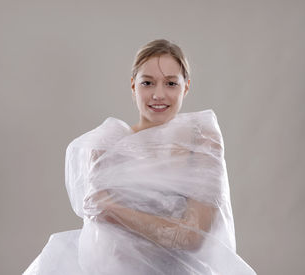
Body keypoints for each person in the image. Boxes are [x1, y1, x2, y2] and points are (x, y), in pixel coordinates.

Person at [23, 39, 257, 275]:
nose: (158, 94)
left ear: (186, 87)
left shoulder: (201, 139)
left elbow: (194, 237)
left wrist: (115, 211)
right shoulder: (107, 144)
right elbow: (103, 242)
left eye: (170, 83)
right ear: (133, 86)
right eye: (148, 83)